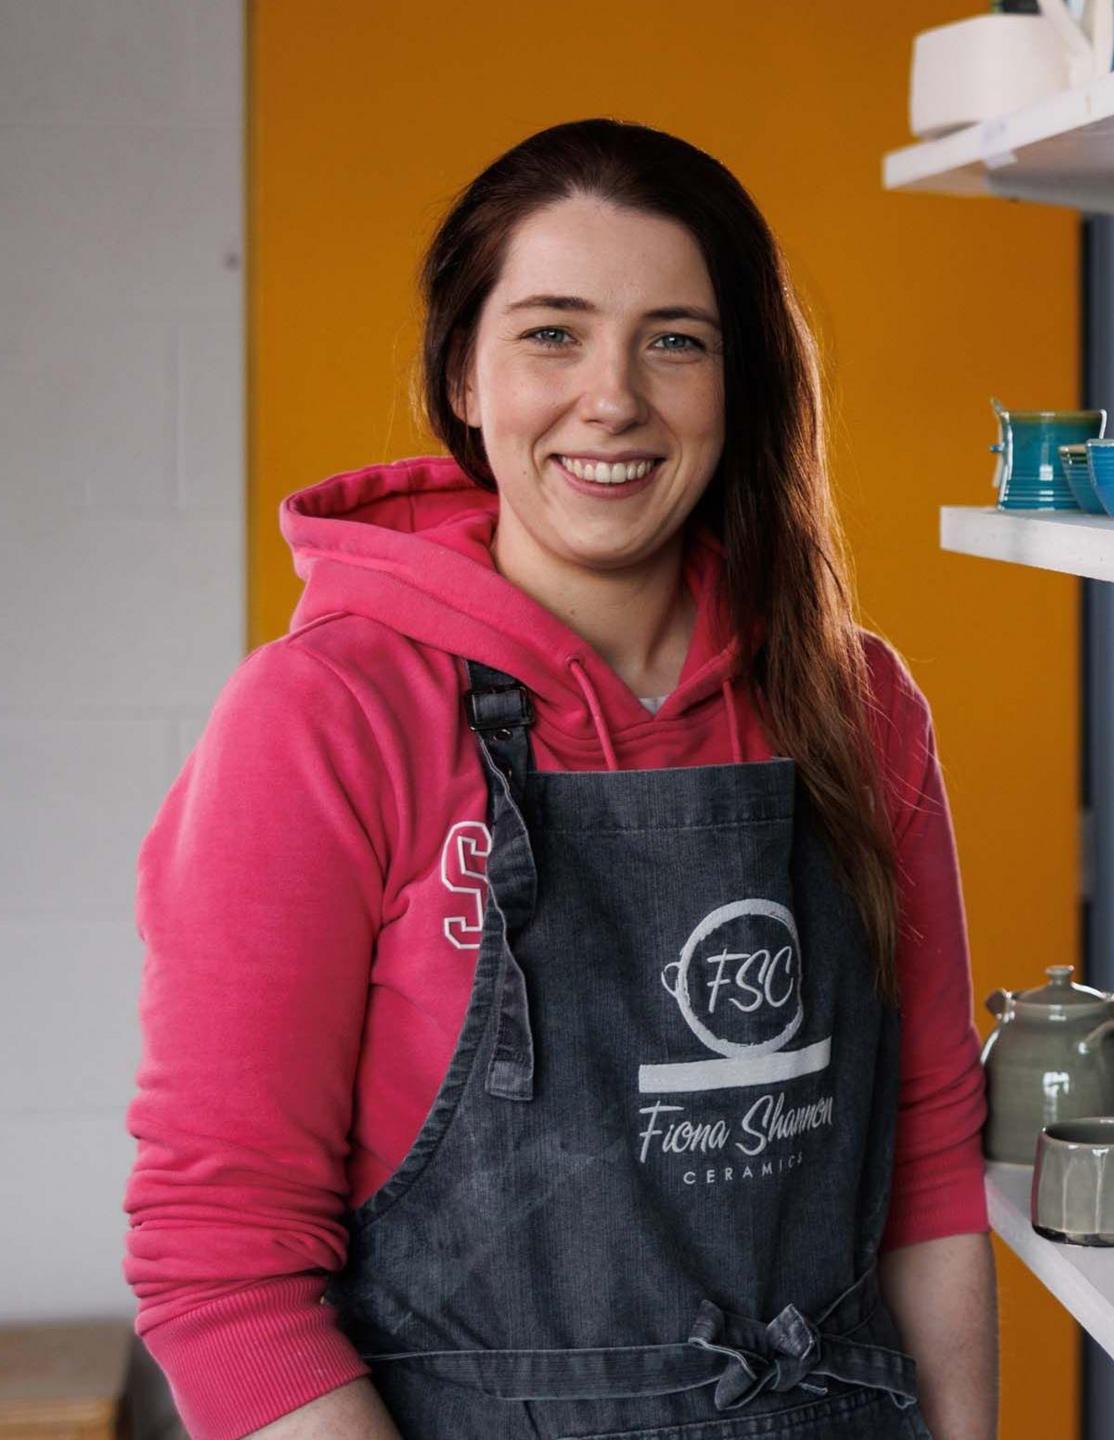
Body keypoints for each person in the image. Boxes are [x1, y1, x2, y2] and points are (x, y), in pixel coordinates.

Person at [123, 118, 995, 1440]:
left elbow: (926, 1169)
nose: (613, 399)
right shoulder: (328, 715)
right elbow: (222, 1268)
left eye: (676, 340)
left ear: (740, 385)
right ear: (463, 378)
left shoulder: (855, 705)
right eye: (552, 332)